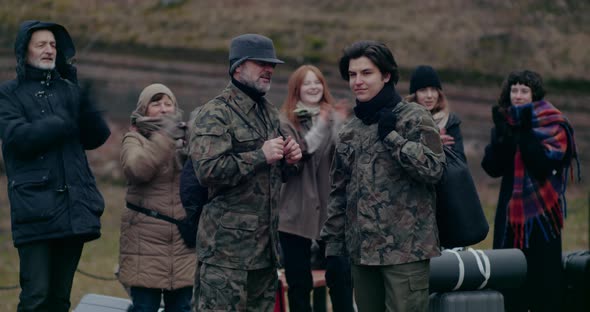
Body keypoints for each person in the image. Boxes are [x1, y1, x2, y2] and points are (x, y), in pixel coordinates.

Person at [320, 40, 445, 312]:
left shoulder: (413, 117)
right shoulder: (350, 129)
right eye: (352, 75)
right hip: (362, 254)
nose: (357, 81)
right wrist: (331, 247)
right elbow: (338, 192)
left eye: (366, 73)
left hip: (405, 252)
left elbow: (434, 169)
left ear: (386, 75)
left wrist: (393, 138)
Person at [0, 20, 110, 312]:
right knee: (36, 297)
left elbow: (98, 137)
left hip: (74, 210)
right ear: (24, 52)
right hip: (35, 210)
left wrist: (85, 107)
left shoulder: (68, 90)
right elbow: (18, 138)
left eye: (53, 45)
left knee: (60, 299)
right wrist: (63, 120)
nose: (49, 50)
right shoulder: (8, 94)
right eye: (41, 44)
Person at [189, 34, 302, 311]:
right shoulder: (215, 113)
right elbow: (207, 170)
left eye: (272, 64)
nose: (269, 69)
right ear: (237, 67)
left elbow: (277, 173)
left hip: (265, 253)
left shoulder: (270, 113)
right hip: (226, 254)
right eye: (261, 63)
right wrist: (259, 156)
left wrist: (290, 159)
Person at [481, 70, 579, 312]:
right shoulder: (507, 122)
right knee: (510, 283)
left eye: (524, 90)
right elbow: (492, 168)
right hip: (510, 217)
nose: (518, 95)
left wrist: (524, 133)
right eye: (514, 90)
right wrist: (502, 138)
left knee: (544, 286)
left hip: (542, 217)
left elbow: (542, 166)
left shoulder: (553, 123)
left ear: (534, 94)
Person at [278, 65, 354, 312]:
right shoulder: (286, 121)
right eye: (307, 83)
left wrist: (337, 125)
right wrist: (321, 125)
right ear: (296, 89)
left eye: (317, 82)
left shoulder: (333, 117)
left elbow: (344, 155)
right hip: (295, 211)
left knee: (341, 276)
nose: (313, 87)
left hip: (329, 211)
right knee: (299, 283)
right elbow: (300, 153)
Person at [118, 83, 196, 312]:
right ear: (143, 110)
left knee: (182, 307)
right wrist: (165, 138)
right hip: (145, 243)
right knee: (145, 307)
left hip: (183, 242)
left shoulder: (186, 138)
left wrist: (196, 138)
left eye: (168, 103)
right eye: (156, 103)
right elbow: (137, 170)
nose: (163, 109)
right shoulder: (134, 139)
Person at [407, 65, 465, 161]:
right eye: (423, 90)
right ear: (414, 95)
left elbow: (460, 162)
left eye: (433, 89)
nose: (429, 95)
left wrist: (443, 149)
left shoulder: (450, 122)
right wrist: (432, 144)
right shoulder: (405, 121)